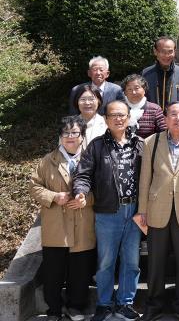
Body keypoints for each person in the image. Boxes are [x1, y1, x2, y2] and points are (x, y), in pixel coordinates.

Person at [72, 100, 144, 321]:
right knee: (106, 261)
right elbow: (83, 174)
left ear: (129, 117)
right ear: (106, 119)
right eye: (114, 115)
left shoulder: (140, 143)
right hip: (107, 212)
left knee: (131, 261)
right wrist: (80, 191)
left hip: (134, 210)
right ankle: (104, 304)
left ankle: (125, 303)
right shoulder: (97, 145)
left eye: (122, 115)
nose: (118, 119)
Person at [137, 102, 179, 321]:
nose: (177, 118)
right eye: (173, 114)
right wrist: (142, 210)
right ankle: (154, 304)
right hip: (157, 209)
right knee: (156, 261)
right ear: (165, 118)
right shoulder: (151, 141)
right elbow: (145, 178)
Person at [30, 116, 95, 321]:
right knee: (53, 271)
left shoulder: (92, 159)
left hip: (82, 222)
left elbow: (103, 188)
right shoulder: (47, 160)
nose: (70, 136)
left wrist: (87, 200)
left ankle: (76, 307)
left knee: (80, 270)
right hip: (56, 225)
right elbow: (34, 186)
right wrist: (53, 196)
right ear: (60, 136)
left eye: (75, 132)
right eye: (66, 132)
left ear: (82, 136)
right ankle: (54, 310)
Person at [142, 36, 179, 110]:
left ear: (174, 52)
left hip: (175, 116)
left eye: (170, 51)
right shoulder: (146, 74)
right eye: (163, 52)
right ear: (155, 51)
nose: (166, 55)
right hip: (152, 116)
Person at [121, 74, 166, 139]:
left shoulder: (155, 109)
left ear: (144, 89)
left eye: (136, 88)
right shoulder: (119, 109)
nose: (133, 92)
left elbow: (164, 132)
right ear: (125, 92)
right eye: (129, 89)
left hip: (148, 145)